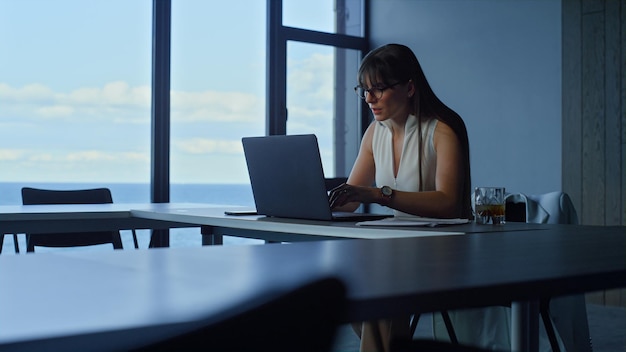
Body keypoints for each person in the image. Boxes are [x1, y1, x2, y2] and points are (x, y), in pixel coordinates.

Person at [328, 43, 472, 351]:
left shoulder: (441, 130)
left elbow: (448, 203)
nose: (369, 99)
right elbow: (352, 200)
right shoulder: (374, 133)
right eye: (364, 90)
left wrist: (380, 195)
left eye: (378, 89)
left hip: (441, 251)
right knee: (340, 286)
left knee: (379, 289)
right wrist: (317, 196)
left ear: (409, 88)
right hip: (394, 248)